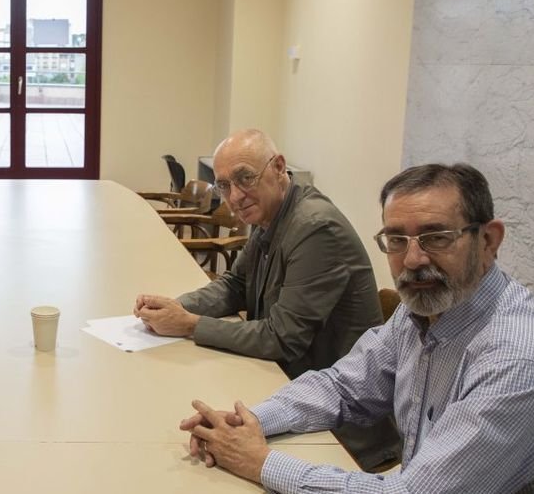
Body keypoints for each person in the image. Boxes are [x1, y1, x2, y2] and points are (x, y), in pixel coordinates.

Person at [180, 163, 534, 493]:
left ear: (488, 241)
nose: (413, 260)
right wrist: (249, 420)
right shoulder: (423, 312)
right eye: (396, 240)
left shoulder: (522, 360)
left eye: (436, 237)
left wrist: (261, 463)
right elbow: (342, 387)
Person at [134, 128, 398, 469]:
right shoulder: (271, 214)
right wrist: (175, 307)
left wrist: (190, 324)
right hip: (286, 386)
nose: (236, 196)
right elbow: (234, 285)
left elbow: (281, 338)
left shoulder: (316, 228)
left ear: (278, 167)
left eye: (245, 178)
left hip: (339, 428)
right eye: (224, 185)